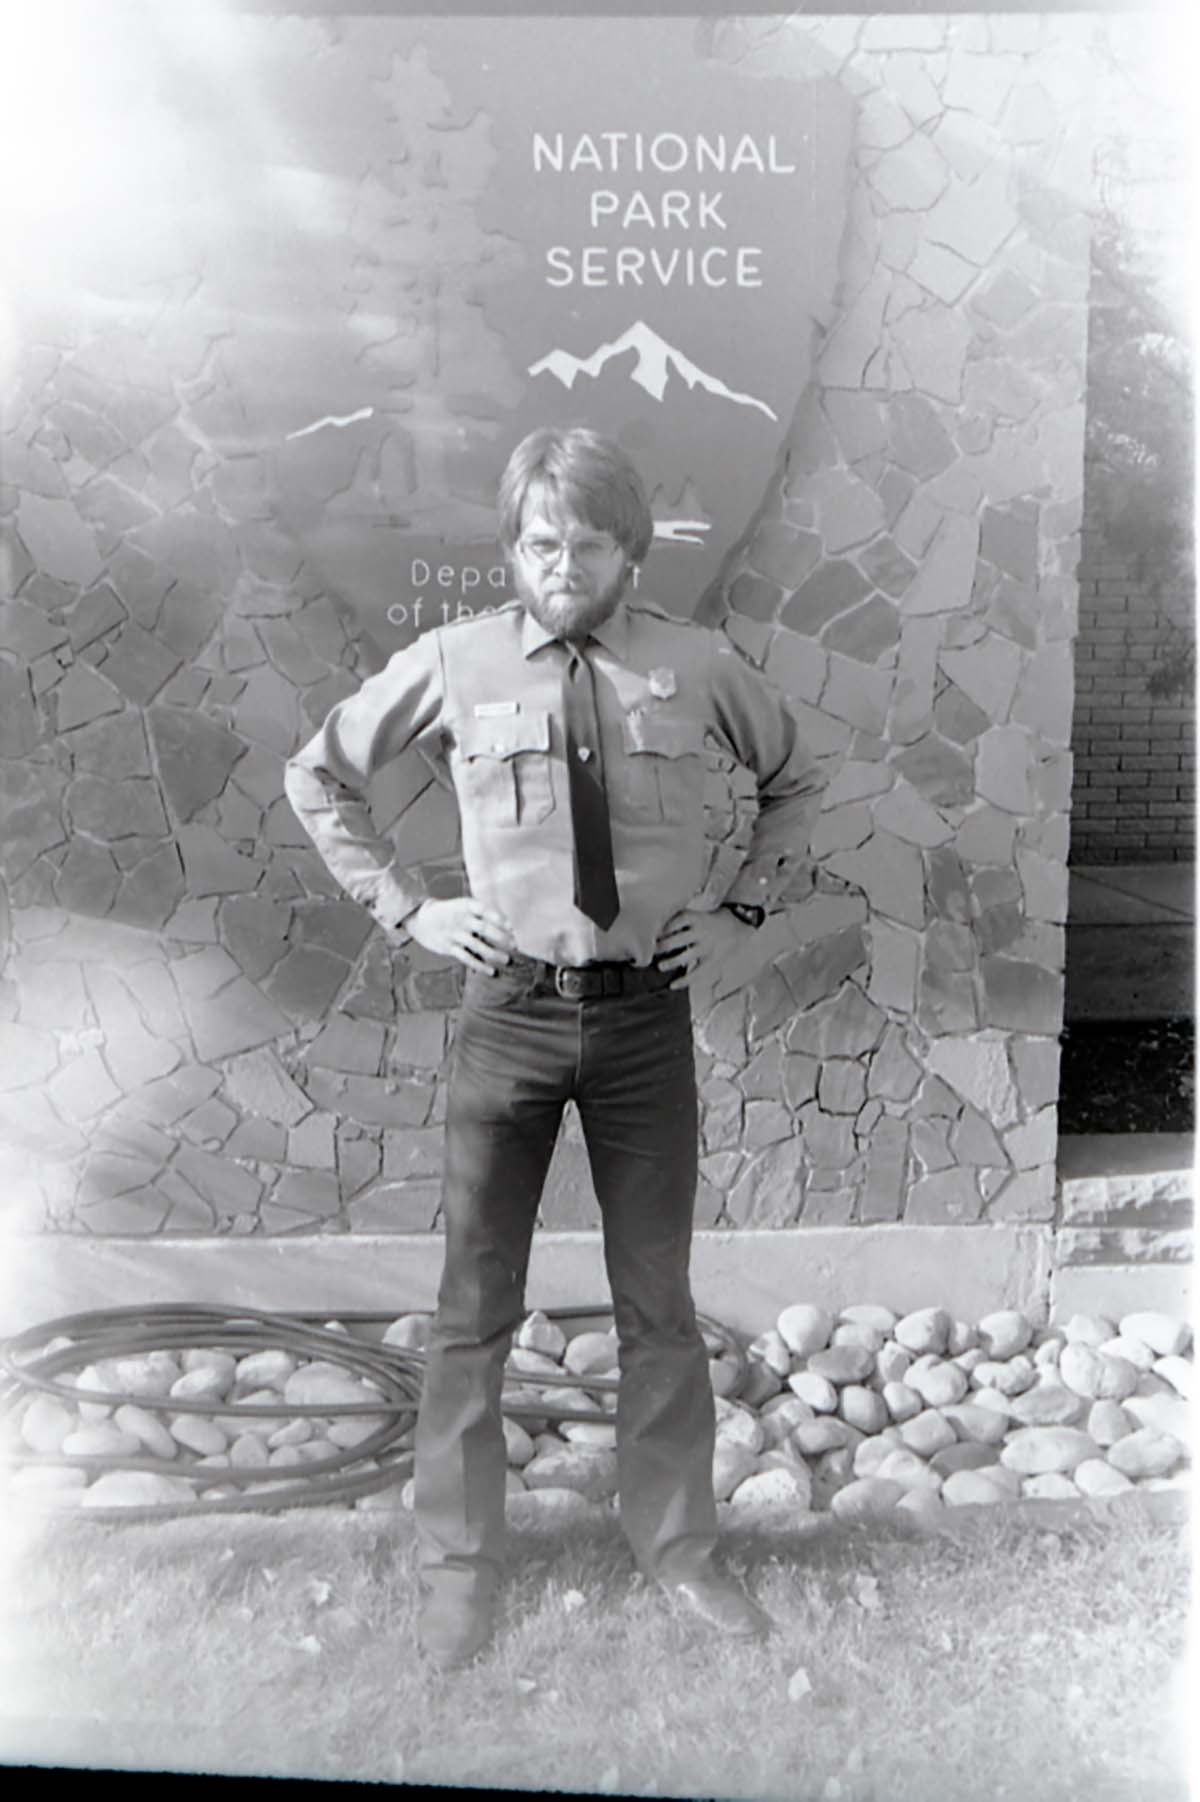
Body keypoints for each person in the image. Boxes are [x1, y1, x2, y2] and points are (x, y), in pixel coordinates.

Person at [285, 427, 826, 1669]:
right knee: (473, 1309)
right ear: (513, 547)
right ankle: (459, 1572)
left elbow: (800, 779)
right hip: (509, 1017)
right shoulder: (454, 662)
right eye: (540, 540)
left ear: (627, 550)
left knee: (659, 1308)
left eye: (587, 541)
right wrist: (409, 907)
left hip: (644, 1022)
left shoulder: (695, 667)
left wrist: (740, 911)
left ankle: (679, 1548)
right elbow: (318, 776)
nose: (562, 563)